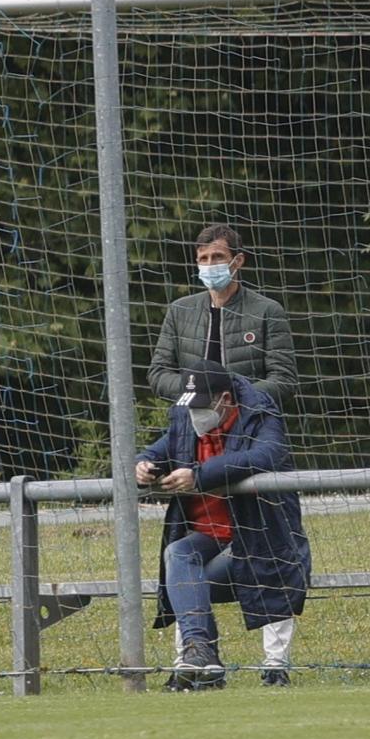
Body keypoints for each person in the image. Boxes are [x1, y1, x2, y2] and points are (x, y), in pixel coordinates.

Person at [137, 361, 310, 690]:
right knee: (178, 554)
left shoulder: (261, 415)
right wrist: (142, 466)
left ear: (225, 399)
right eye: (190, 406)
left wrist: (200, 476)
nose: (194, 415)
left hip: (256, 539)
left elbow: (267, 455)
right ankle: (201, 654)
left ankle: (267, 668)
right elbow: (157, 450)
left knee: (189, 580)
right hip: (207, 539)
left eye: (201, 406)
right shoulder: (185, 418)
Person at [148, 223, 297, 410]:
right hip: (192, 421)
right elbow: (158, 373)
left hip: (249, 422)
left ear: (238, 260)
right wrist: (197, 390)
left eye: (218, 257)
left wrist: (232, 397)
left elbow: (284, 379)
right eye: (204, 258)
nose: (210, 264)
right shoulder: (179, 311)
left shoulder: (267, 311)